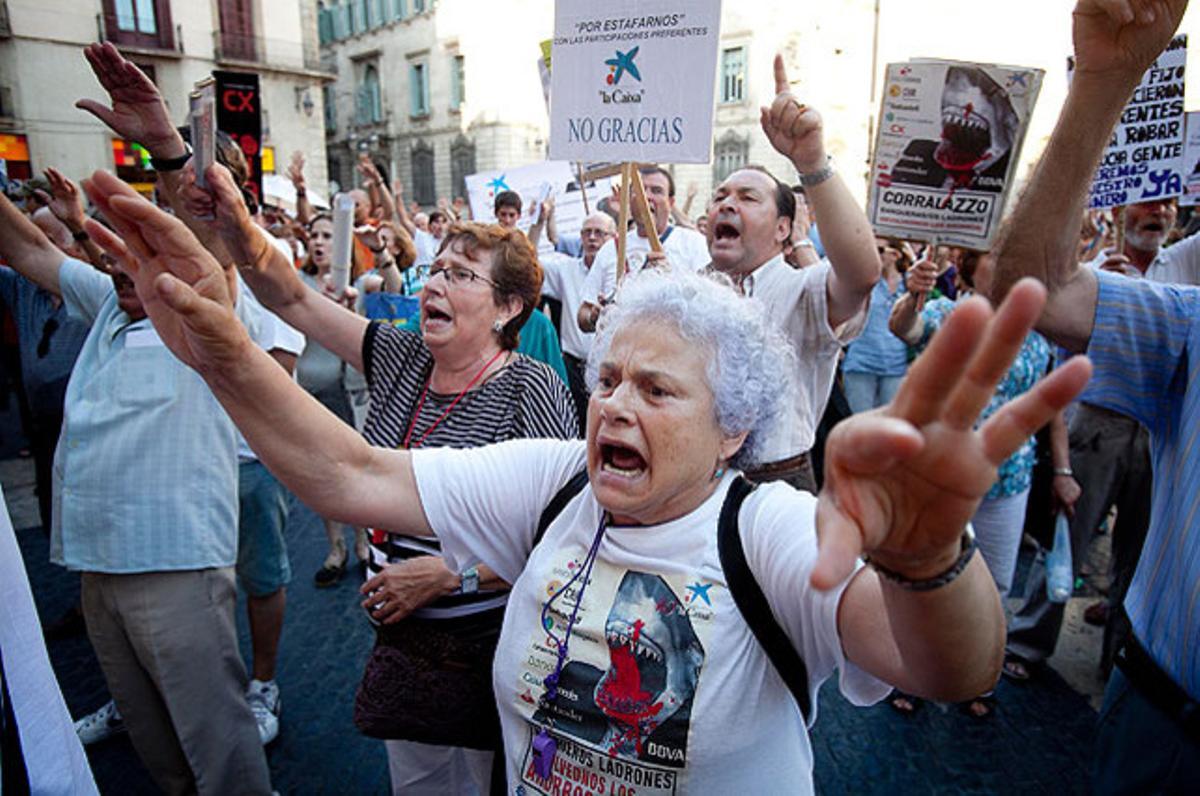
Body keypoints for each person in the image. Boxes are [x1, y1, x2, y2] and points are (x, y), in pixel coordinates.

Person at [91, 172, 1092, 791]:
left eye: (658, 389)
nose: (614, 405)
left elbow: (953, 669)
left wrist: (925, 558)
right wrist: (223, 349)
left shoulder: (771, 531)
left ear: (733, 427)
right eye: (607, 377)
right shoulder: (556, 483)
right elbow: (349, 472)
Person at [171, 160, 577, 793]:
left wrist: (452, 574)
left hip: (490, 647)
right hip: (401, 644)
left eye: (463, 275)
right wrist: (240, 229)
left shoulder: (533, 387)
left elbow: (565, 539)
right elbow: (292, 297)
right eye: (436, 269)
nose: (436, 284)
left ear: (507, 307)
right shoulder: (397, 352)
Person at [0, 179, 274, 795]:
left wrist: (176, 157)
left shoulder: (204, 313)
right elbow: (25, 250)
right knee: (157, 752)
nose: (127, 259)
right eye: (119, 244)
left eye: (146, 246)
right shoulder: (104, 302)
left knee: (220, 751)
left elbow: (214, 250)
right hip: (97, 572)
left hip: (177, 570)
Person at [987, 2, 1198, 791]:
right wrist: (1105, 83)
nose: (1159, 217)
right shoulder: (1190, 316)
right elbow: (1034, 291)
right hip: (1162, 732)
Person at [704, 55, 880, 493]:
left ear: (783, 228)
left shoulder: (803, 289)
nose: (726, 204)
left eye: (747, 197)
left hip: (777, 483)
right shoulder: (695, 292)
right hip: (699, 481)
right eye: (720, 195)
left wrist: (812, 160)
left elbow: (861, 273)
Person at [891, 250, 1051, 716]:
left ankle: (977, 673)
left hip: (1009, 478)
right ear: (972, 266)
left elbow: (1049, 402)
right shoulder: (948, 313)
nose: (1007, 264)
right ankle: (915, 674)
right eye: (996, 256)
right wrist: (914, 297)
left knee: (996, 582)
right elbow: (905, 328)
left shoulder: (1039, 326)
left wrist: (1060, 470)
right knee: (925, 578)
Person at [576, 166, 711, 332]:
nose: (646, 196)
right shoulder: (611, 249)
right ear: (629, 200)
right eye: (638, 190)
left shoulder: (694, 244)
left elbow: (710, 308)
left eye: (656, 191)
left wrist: (673, 282)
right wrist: (595, 317)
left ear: (671, 202)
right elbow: (583, 315)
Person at [538, 210, 616, 431]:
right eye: (587, 232)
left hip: (610, 369)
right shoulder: (565, 269)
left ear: (612, 239)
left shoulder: (624, 271)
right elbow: (528, 260)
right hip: (573, 369)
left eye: (599, 233)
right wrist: (540, 220)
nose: (592, 238)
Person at [841, 237, 913, 413]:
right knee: (859, 426)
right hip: (861, 363)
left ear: (895, 255)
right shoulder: (863, 280)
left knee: (889, 427)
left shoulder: (909, 284)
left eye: (880, 250)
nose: (874, 253)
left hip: (896, 366)